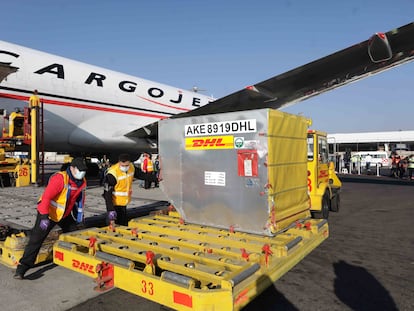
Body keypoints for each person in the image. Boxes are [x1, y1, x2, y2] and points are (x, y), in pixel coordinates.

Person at [13, 157, 88, 280]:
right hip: (49, 214)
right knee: (36, 239)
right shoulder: (60, 179)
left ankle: (72, 258)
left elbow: (79, 200)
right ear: (72, 168)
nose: (82, 173)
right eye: (80, 170)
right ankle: (22, 268)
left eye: (84, 171)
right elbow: (46, 198)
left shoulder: (82, 181)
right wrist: (43, 217)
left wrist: (80, 218)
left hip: (64, 214)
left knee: (74, 234)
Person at [102, 153, 135, 226]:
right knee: (112, 225)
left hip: (123, 203)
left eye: (127, 165)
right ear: (119, 163)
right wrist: (111, 211)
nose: (125, 167)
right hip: (113, 204)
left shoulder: (131, 167)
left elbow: (141, 175)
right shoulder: (112, 174)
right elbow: (107, 194)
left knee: (122, 224)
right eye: (122, 165)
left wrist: (157, 178)